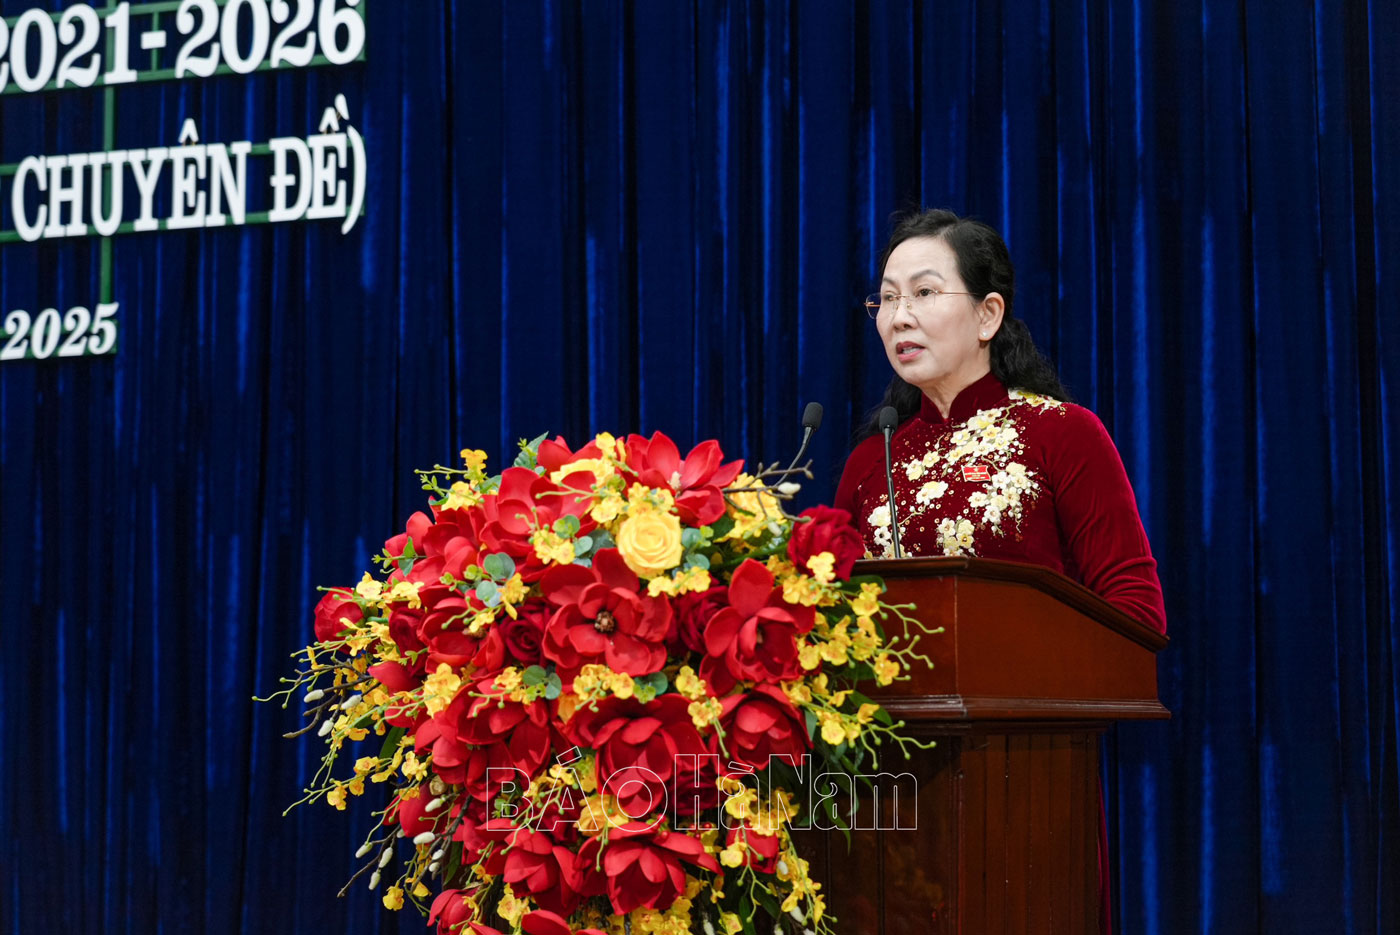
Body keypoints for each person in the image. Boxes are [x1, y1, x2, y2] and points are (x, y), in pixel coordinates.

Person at [834, 209, 1166, 633]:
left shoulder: (1062, 433)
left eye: (924, 292)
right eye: (889, 298)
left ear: (988, 315)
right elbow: (831, 616)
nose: (900, 317)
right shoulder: (871, 460)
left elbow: (1136, 613)